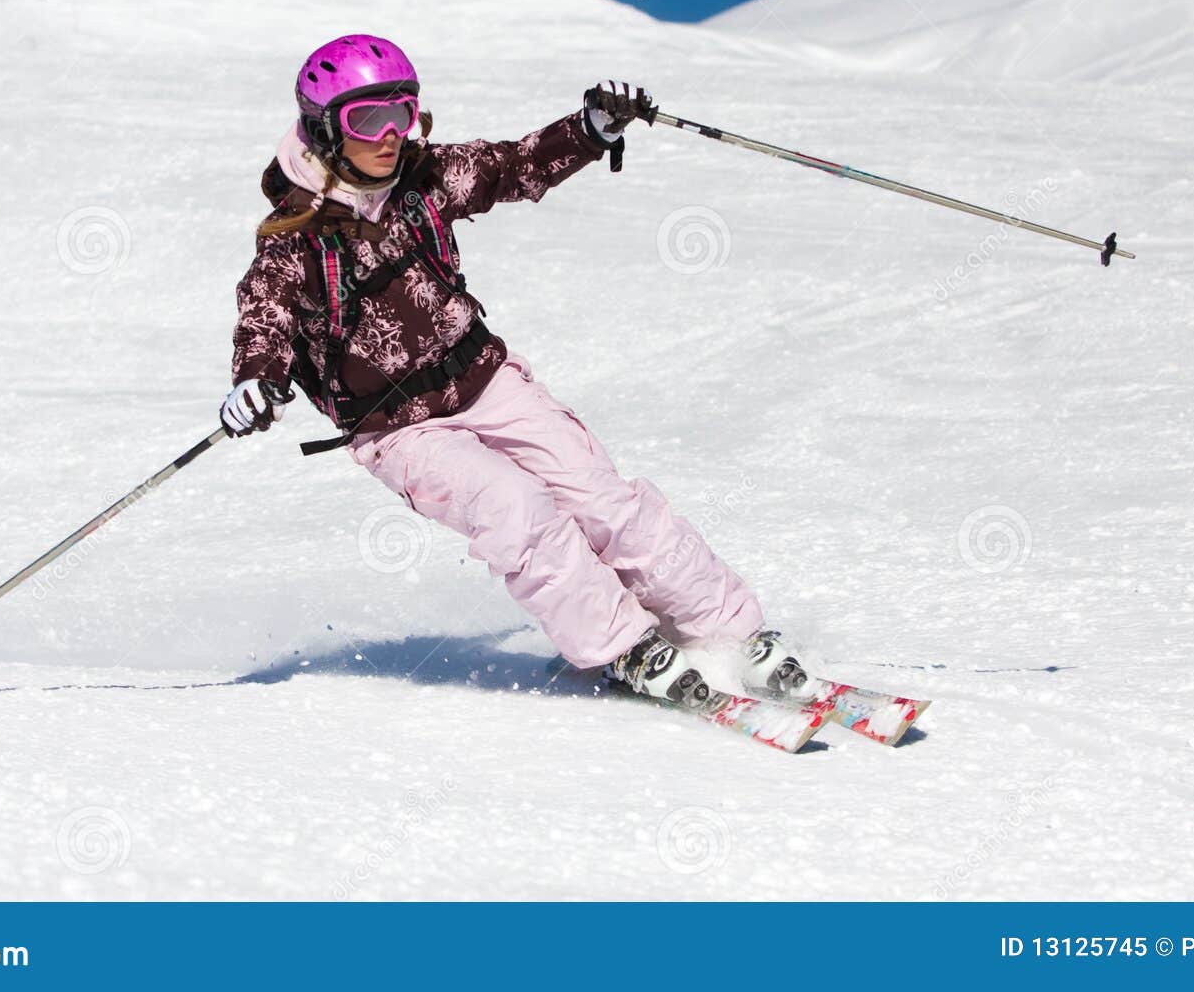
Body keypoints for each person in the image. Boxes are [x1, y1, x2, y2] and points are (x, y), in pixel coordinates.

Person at [220, 34, 811, 708]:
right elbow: (264, 315)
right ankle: (622, 645)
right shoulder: (297, 234)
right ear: (327, 128)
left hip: (481, 376)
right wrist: (254, 379)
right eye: (368, 120)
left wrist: (588, 131)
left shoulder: (423, 178)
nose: (390, 136)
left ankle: (730, 630)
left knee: (599, 496)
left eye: (403, 113)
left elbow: (513, 166)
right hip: (397, 428)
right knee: (517, 511)